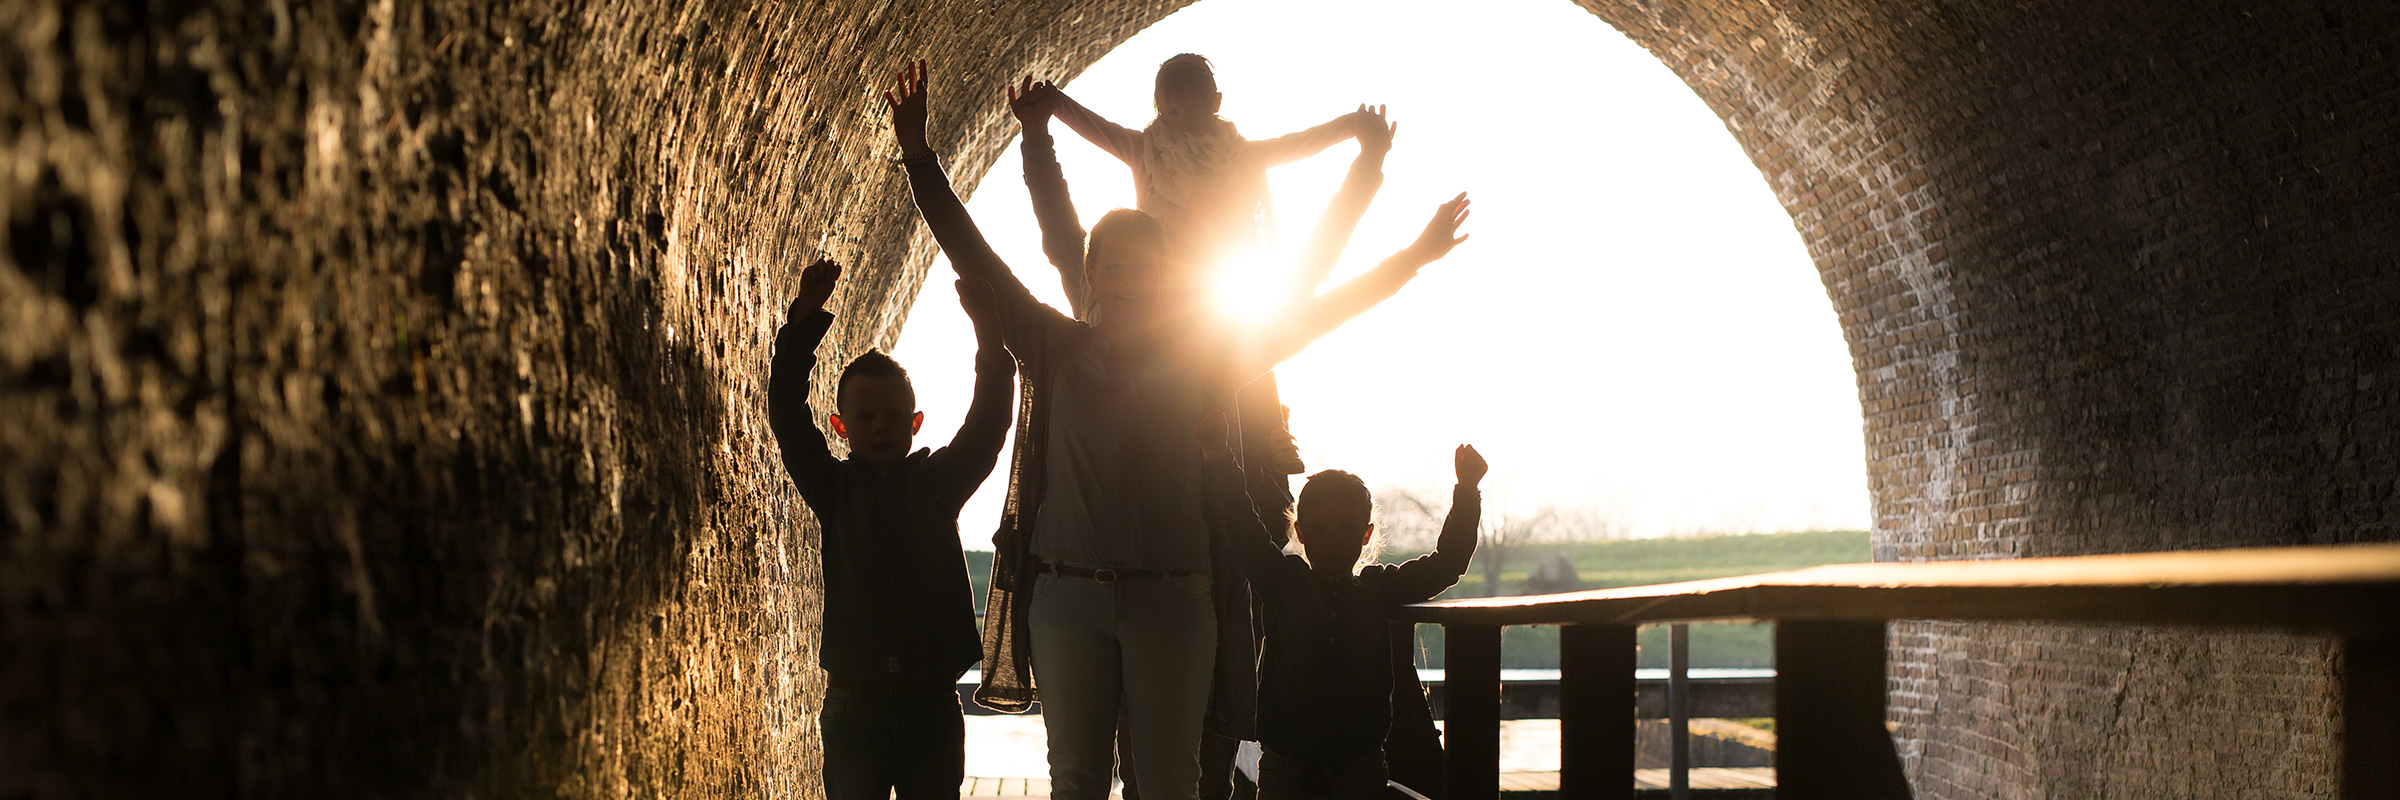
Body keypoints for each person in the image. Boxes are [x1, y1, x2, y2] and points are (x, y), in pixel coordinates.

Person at [880, 59, 1471, 800]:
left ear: (1163, 277)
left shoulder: (1209, 361)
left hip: (1172, 600)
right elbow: (975, 252)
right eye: (1112, 269)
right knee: (1077, 781)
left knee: (1169, 783)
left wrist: (1413, 256)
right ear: (1092, 277)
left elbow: (1319, 307)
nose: (1126, 282)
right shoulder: (1052, 345)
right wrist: (918, 155)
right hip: (1070, 598)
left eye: (1142, 269)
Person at [1007, 76, 1399, 800]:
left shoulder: (1211, 341)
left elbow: (1306, 281)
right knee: (1122, 767)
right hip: (1121, 570)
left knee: (1185, 755)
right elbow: (1060, 226)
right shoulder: (1096, 320)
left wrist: (1364, 167)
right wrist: (1038, 129)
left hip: (1187, 563)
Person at [766, 257, 1016, 800]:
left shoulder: (939, 483)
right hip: (855, 708)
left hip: (931, 704)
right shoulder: (831, 488)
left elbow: (988, 424)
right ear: (840, 427)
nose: (879, 426)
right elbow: (786, 412)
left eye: (892, 416)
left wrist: (989, 334)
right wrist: (802, 321)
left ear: (915, 422)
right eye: (864, 417)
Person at [1200, 413, 1486, 800]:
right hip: (1287, 768)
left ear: (1366, 535)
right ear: (1300, 532)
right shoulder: (1281, 579)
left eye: (1346, 529)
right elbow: (1240, 520)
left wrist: (1467, 490)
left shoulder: (1375, 588)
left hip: (1360, 770)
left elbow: (1447, 564)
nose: (1331, 541)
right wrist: (1220, 456)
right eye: (1317, 529)